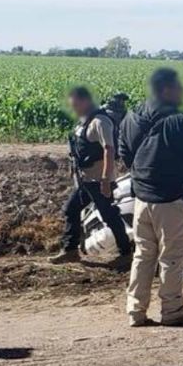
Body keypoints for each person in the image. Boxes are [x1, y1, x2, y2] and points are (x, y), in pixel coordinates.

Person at [119, 68, 183, 327]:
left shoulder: (132, 116)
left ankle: (135, 311)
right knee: (172, 257)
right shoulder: (178, 120)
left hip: (141, 197)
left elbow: (124, 153)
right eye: (177, 87)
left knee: (142, 254)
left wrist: (143, 174)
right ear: (165, 90)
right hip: (171, 199)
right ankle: (173, 312)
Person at [50, 86, 133, 264]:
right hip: (86, 181)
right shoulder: (84, 121)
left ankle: (126, 253)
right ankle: (70, 250)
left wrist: (105, 179)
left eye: (76, 105)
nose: (74, 109)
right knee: (71, 209)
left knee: (109, 216)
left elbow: (109, 149)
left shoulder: (101, 122)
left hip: (99, 180)